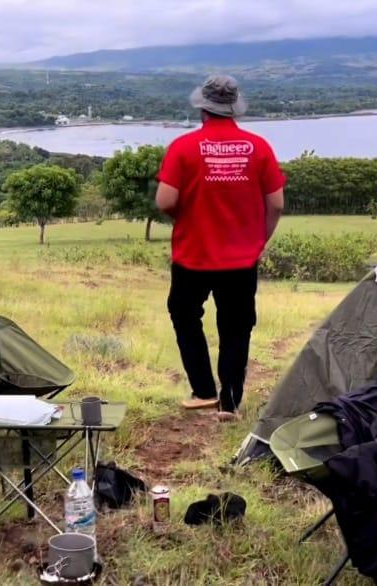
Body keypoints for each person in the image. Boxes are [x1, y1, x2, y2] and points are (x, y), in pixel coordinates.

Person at [155, 74, 286, 422]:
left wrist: (182, 217)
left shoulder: (182, 148)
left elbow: (165, 199)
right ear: (234, 110)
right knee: (236, 327)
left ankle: (203, 391)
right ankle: (229, 403)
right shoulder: (259, 148)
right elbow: (276, 203)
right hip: (241, 260)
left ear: (203, 108)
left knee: (184, 316)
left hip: (192, 256)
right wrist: (260, 238)